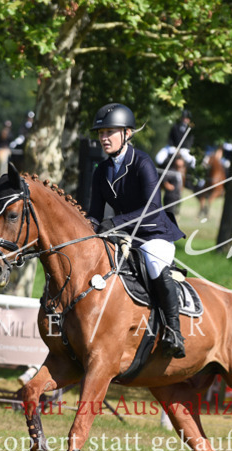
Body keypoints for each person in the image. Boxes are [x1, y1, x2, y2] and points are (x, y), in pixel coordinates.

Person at [89, 102, 188, 358]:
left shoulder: (142, 162)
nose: (103, 138)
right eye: (101, 133)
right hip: (122, 235)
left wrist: (116, 223)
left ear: (127, 133)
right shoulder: (100, 172)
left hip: (153, 233)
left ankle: (174, 331)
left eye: (109, 132)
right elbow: (95, 214)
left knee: (154, 263)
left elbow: (152, 209)